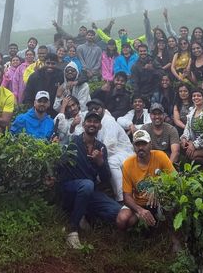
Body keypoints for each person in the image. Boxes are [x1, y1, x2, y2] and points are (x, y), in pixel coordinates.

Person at [57, 110, 121, 249]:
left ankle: (82, 214)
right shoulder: (73, 141)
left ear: (100, 126)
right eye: (89, 121)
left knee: (117, 211)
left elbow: (105, 178)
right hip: (71, 188)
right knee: (87, 185)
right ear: (84, 124)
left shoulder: (101, 147)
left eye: (96, 122)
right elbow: (59, 163)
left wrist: (100, 162)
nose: (92, 124)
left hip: (90, 191)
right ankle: (72, 230)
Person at [116, 129, 175, 231]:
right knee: (122, 220)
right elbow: (127, 196)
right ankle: (132, 236)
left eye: (144, 144)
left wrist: (159, 191)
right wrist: (140, 210)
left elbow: (175, 179)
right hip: (138, 203)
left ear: (150, 144)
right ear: (133, 146)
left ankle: (171, 234)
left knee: (172, 208)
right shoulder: (127, 164)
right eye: (137, 144)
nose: (141, 147)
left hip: (159, 200)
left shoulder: (160, 156)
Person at [86, 98, 134, 203]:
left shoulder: (108, 121)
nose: (94, 111)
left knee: (111, 162)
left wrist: (97, 161)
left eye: (96, 108)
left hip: (124, 153)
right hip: (113, 153)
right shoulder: (95, 122)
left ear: (103, 109)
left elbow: (109, 147)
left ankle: (122, 198)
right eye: (91, 109)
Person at [180, 87, 203, 165]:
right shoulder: (191, 112)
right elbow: (187, 128)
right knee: (180, 145)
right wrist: (184, 138)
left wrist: (194, 145)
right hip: (193, 142)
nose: (196, 97)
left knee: (192, 156)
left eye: (199, 96)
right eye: (194, 96)